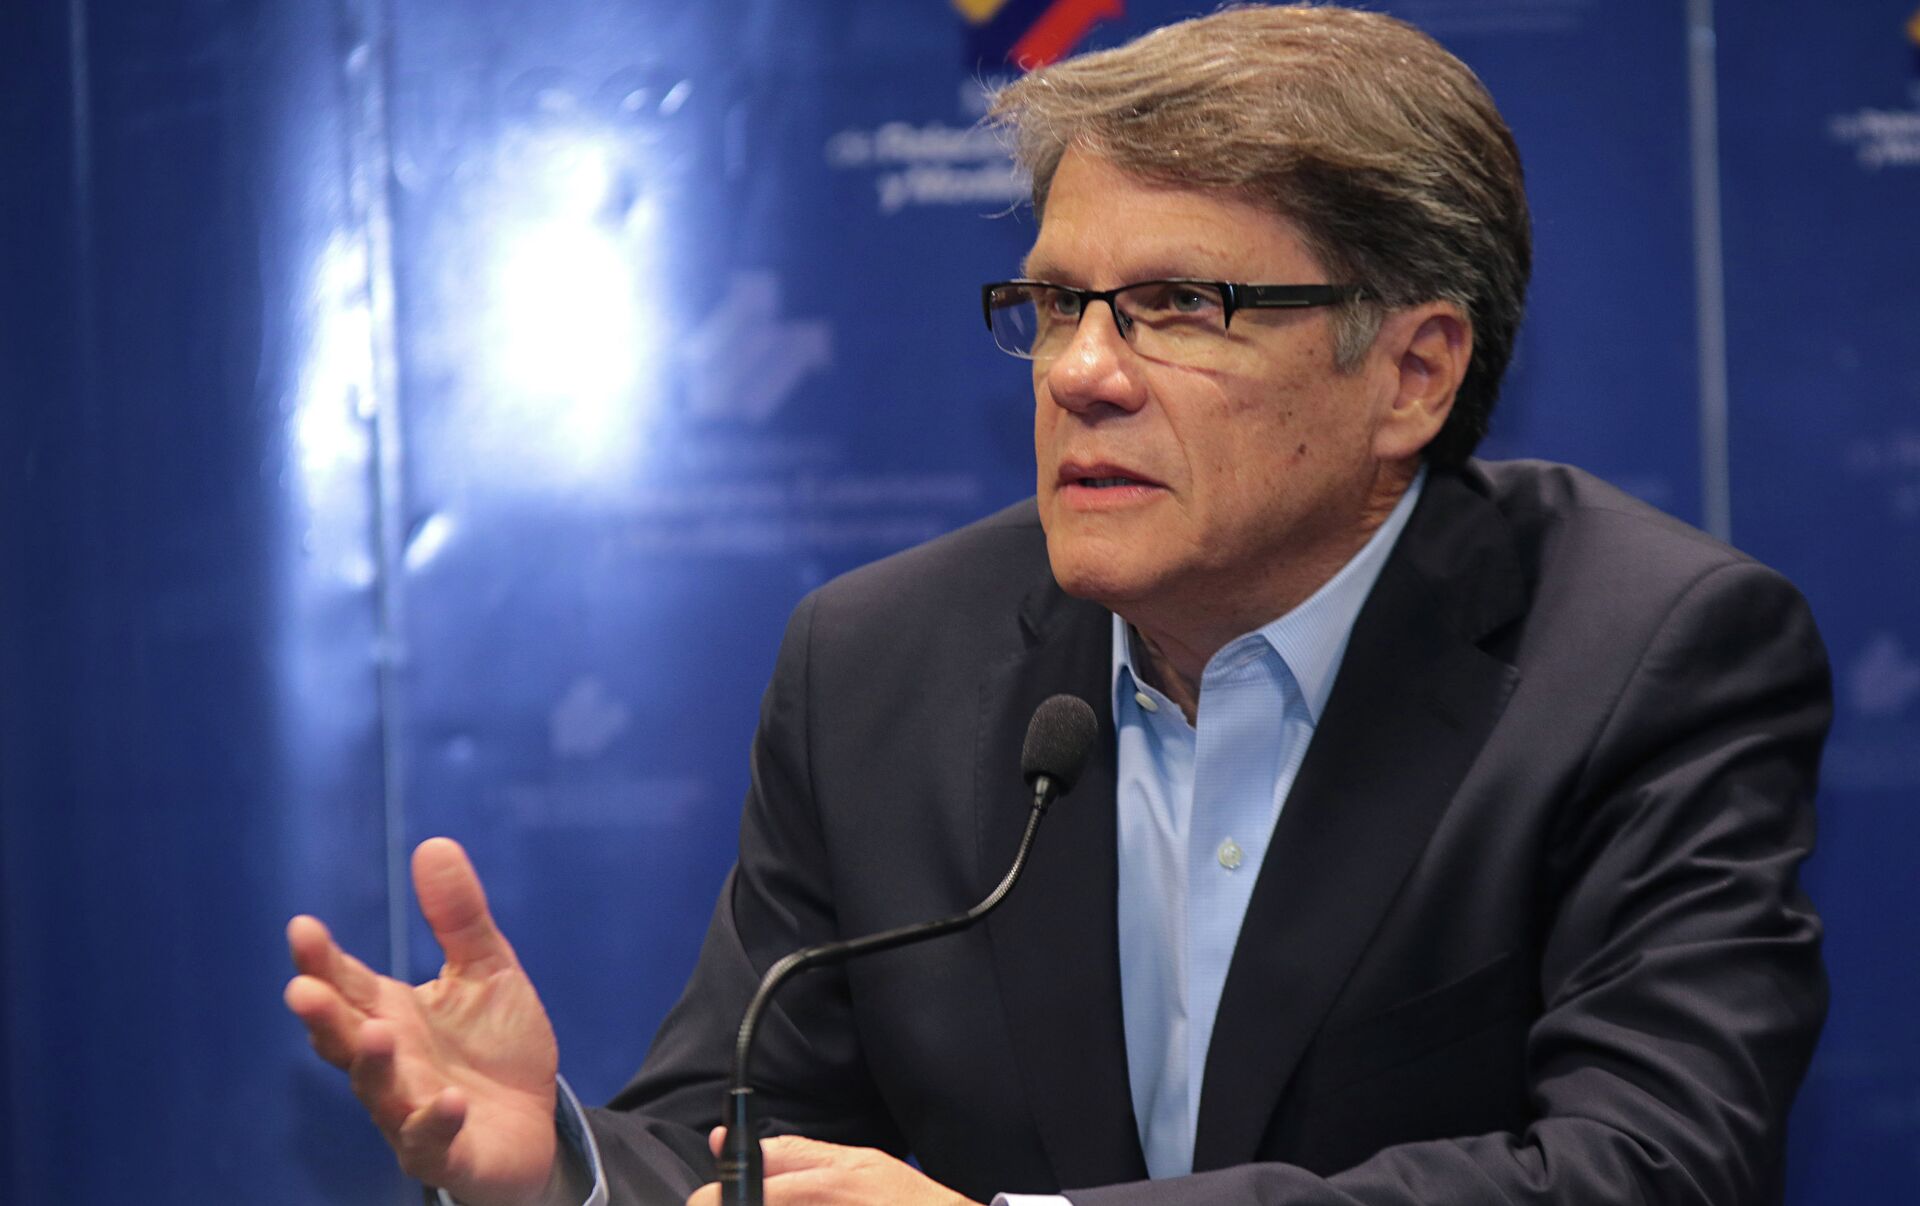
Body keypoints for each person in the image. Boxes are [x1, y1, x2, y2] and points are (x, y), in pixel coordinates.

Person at [284, 6, 1830, 1204]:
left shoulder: (1645, 657)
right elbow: (749, 1133)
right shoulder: (878, 665)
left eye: (1178, 306)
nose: (1083, 370)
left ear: (1413, 372)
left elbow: (1652, 1164)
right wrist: (560, 1165)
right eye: (1056, 303)